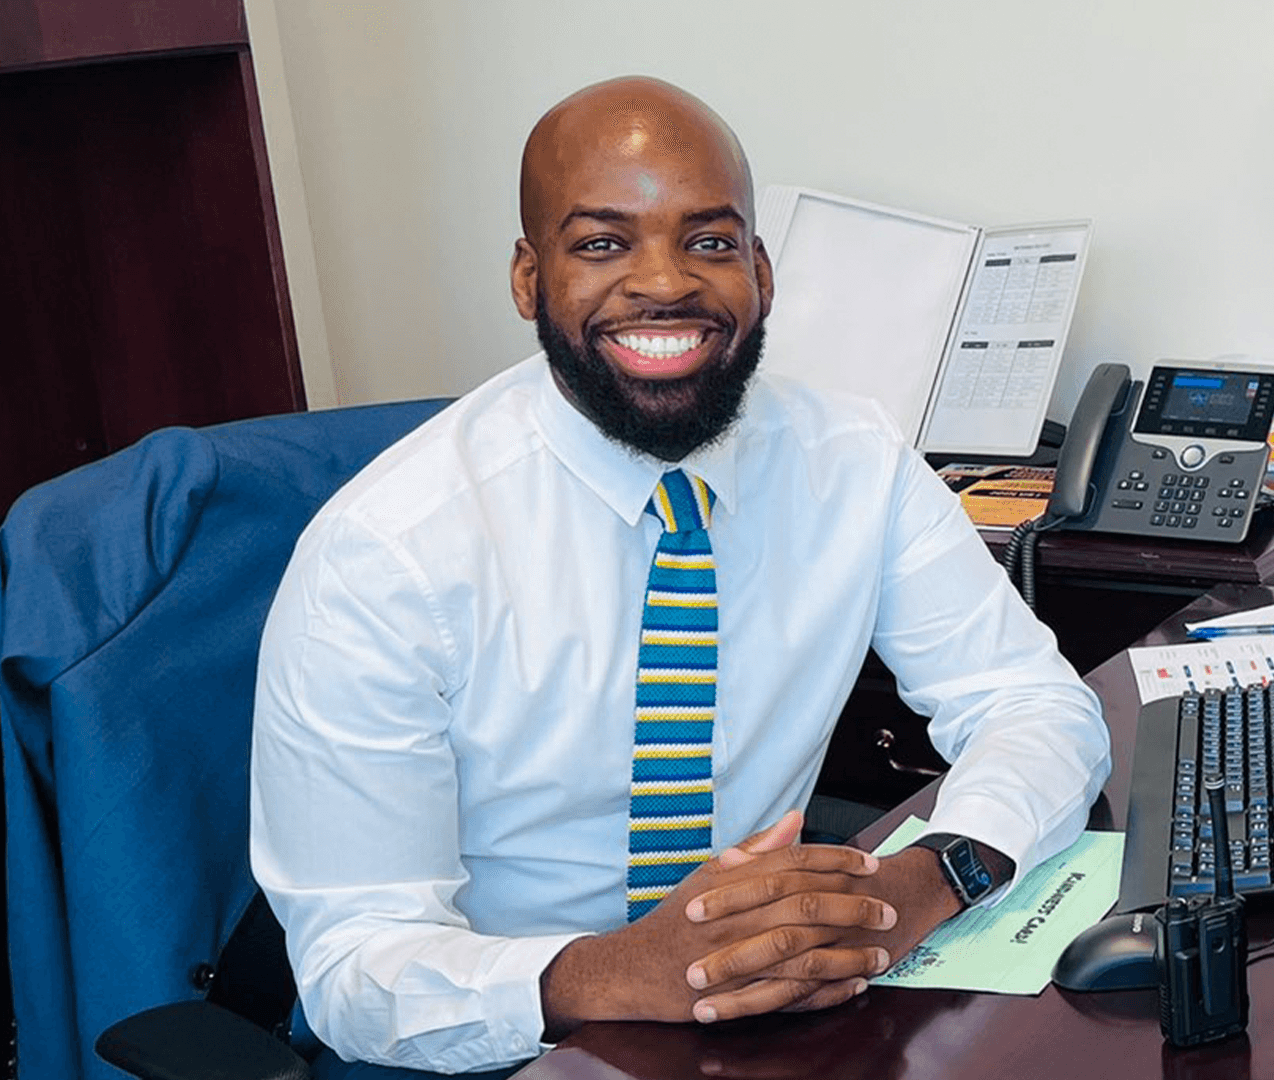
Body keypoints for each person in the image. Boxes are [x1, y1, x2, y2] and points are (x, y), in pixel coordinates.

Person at [248, 75, 1110, 1077]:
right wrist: (616, 975)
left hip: (776, 1016)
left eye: (708, 242)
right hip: (507, 1045)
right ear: (529, 278)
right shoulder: (387, 554)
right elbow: (354, 969)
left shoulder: (854, 461)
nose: (664, 284)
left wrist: (918, 887)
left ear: (763, 272)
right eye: (602, 243)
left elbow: (1035, 705)